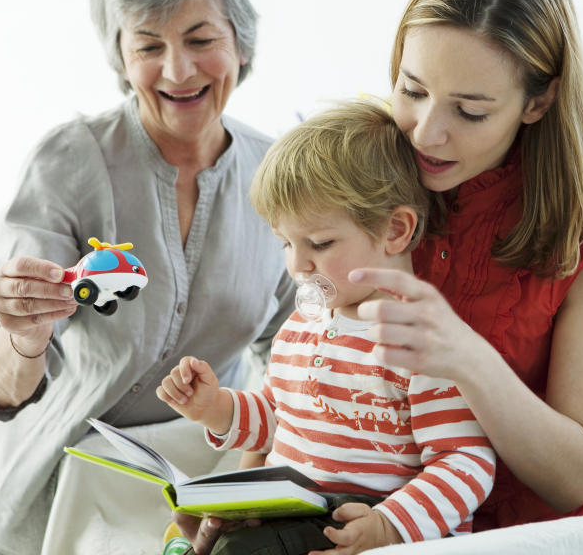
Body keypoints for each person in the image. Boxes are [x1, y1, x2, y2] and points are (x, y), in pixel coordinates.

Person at [0, 0, 294, 555]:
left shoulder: (279, 174)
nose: (177, 70)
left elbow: (300, 356)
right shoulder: (69, 161)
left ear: (241, 45)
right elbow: (0, 386)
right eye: (148, 45)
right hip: (66, 482)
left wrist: (247, 480)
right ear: (120, 57)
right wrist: (25, 338)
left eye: (201, 40)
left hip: (208, 473)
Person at [348, 0, 583, 531]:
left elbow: (574, 479)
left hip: (534, 537)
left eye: (469, 111)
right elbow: (302, 364)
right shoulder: (368, 182)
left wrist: (465, 356)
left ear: (538, 102)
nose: (428, 132)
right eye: (412, 90)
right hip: (378, 526)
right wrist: (232, 502)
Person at [157, 100, 497, 554]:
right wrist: (214, 407)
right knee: (193, 522)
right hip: (292, 505)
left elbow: (466, 461)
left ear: (395, 230)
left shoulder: (422, 342)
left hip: (366, 519)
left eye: (319, 243)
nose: (297, 264)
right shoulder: (300, 328)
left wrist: (388, 525)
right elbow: (278, 419)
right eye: (285, 243)